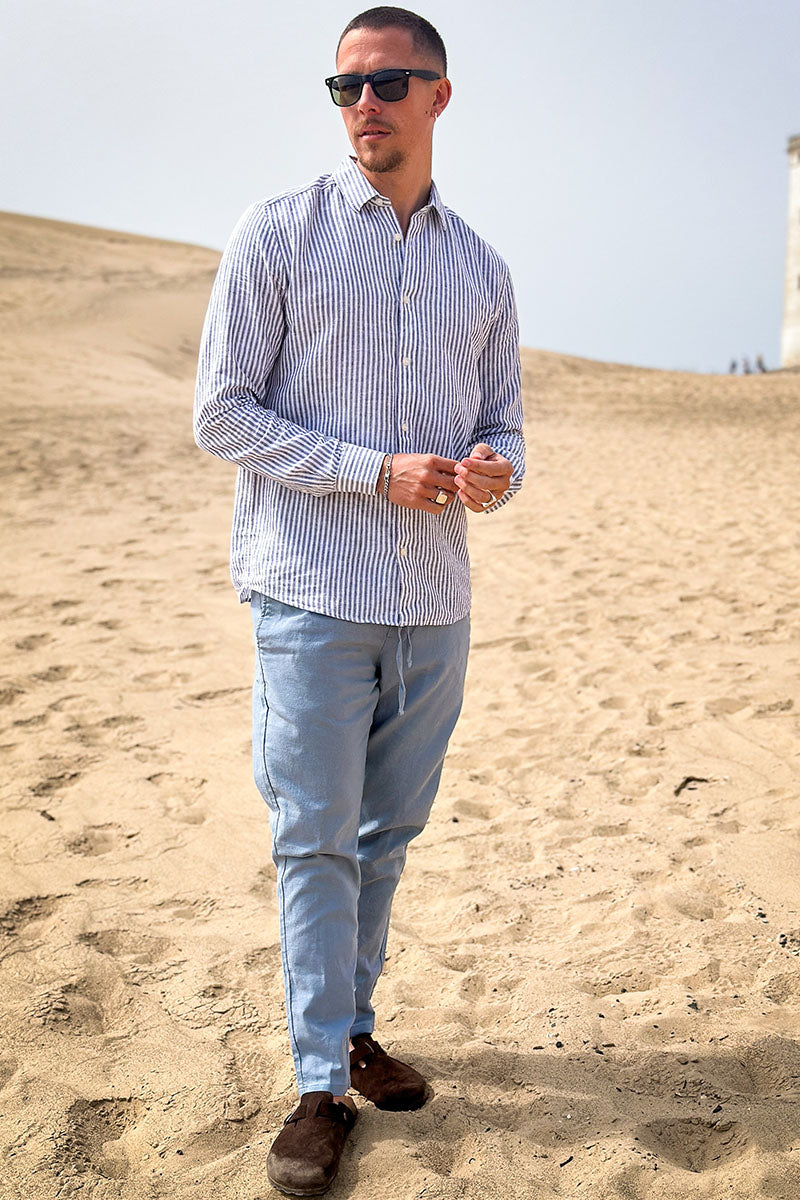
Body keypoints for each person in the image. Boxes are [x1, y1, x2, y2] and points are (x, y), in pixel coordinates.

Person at [194, 6, 525, 1194]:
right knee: (312, 841)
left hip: (434, 602)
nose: (363, 105)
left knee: (386, 836)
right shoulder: (276, 234)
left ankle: (350, 1026)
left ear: (438, 95)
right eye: (345, 87)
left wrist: (492, 472)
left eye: (387, 83)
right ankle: (315, 1087)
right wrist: (369, 469)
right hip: (309, 593)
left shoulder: (480, 267)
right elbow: (220, 414)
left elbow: (505, 427)